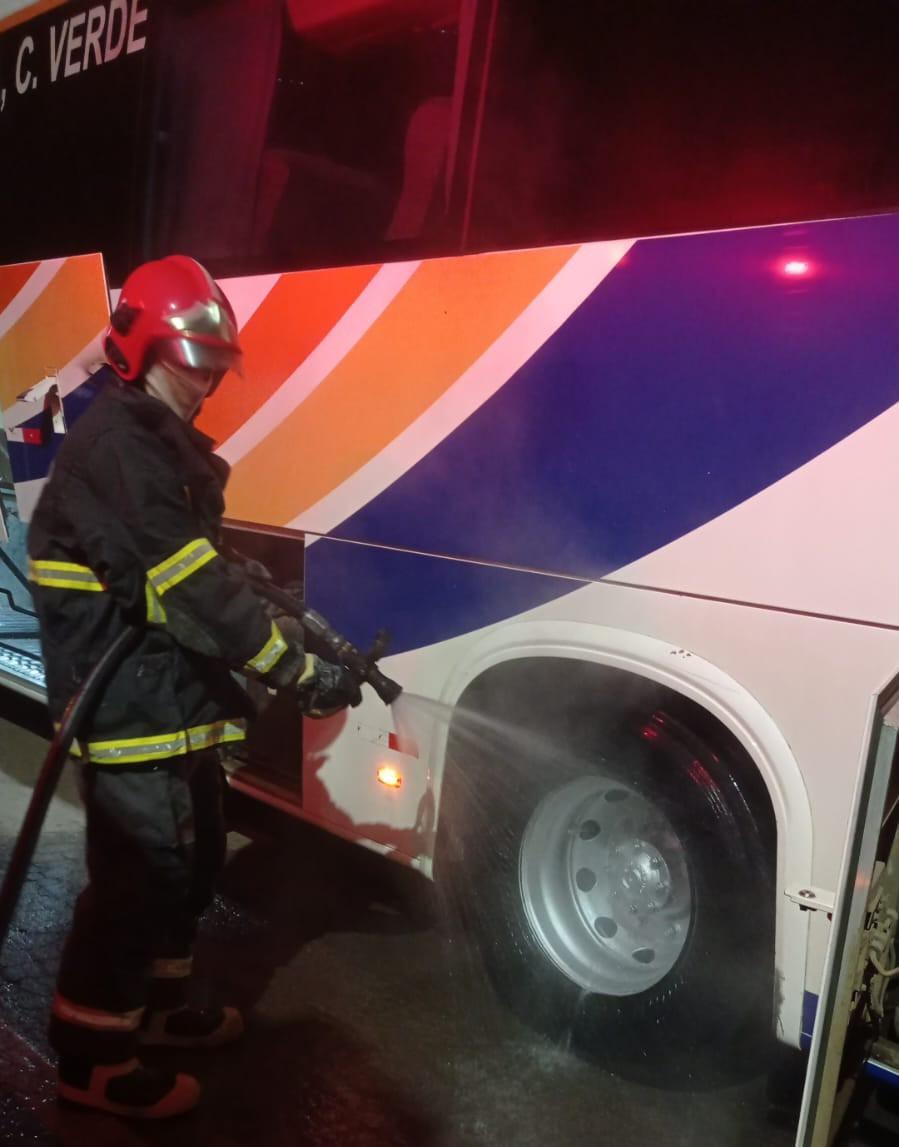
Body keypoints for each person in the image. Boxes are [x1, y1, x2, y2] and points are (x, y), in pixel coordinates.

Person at [27, 255, 361, 1119]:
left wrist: (278, 610)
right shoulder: (121, 447)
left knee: (193, 859)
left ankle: (162, 1008)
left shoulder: (153, 441)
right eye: (191, 359)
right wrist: (291, 669)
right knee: (139, 875)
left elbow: (204, 567)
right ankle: (93, 1055)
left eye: (215, 360)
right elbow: (186, 584)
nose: (208, 378)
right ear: (138, 352)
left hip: (168, 695)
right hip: (128, 701)